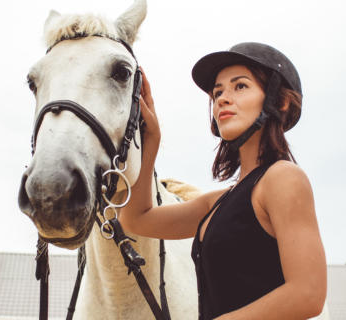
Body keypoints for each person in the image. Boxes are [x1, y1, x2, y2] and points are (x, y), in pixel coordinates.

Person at [119, 42, 326, 319]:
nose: (222, 99)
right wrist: (151, 140)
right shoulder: (216, 203)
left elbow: (308, 294)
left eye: (240, 86)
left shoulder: (283, 178)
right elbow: (136, 219)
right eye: (218, 92)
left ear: (280, 100)